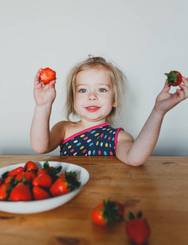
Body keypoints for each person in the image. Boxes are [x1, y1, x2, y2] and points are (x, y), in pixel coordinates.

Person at [30, 56, 188, 166]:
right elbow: (40, 147)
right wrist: (43, 106)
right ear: (73, 99)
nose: (92, 96)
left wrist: (158, 111)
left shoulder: (119, 138)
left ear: (115, 100)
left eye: (102, 89)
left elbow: (135, 158)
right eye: (83, 90)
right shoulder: (64, 129)